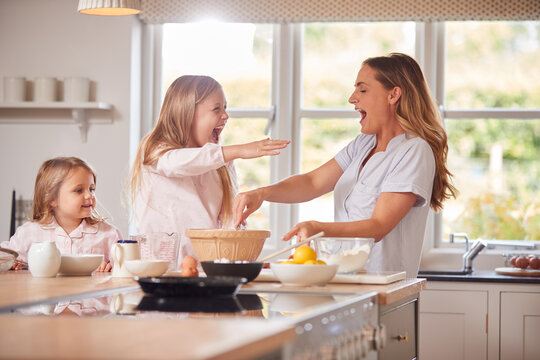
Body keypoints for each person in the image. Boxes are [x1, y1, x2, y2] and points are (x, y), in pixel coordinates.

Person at [233, 53, 457, 277]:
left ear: (394, 94)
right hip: (347, 282)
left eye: (362, 90)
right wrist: (261, 194)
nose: (352, 98)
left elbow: (378, 226)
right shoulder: (363, 144)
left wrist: (319, 229)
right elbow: (312, 182)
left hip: (383, 290)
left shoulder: (413, 151)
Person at [129, 75, 289, 264]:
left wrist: (242, 259)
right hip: (161, 269)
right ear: (187, 113)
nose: (226, 115)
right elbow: (178, 164)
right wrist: (239, 150)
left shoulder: (220, 164)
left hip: (206, 271)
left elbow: (227, 222)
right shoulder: (155, 149)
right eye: (216, 108)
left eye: (225, 108)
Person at [2, 157, 122, 271]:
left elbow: (124, 269)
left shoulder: (108, 234)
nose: (90, 195)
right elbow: (4, 256)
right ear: (52, 199)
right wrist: (11, 263)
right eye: (79, 190)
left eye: (91, 189)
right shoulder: (29, 233)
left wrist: (110, 268)